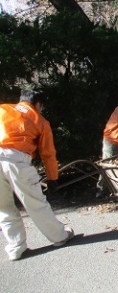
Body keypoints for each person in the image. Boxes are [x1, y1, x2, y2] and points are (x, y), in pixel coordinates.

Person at [0, 89, 74, 261]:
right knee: (35, 203)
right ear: (38, 104)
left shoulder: (3, 109)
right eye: (42, 106)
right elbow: (48, 154)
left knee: (3, 207)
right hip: (17, 161)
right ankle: (59, 236)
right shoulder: (39, 120)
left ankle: (16, 248)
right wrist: (53, 177)